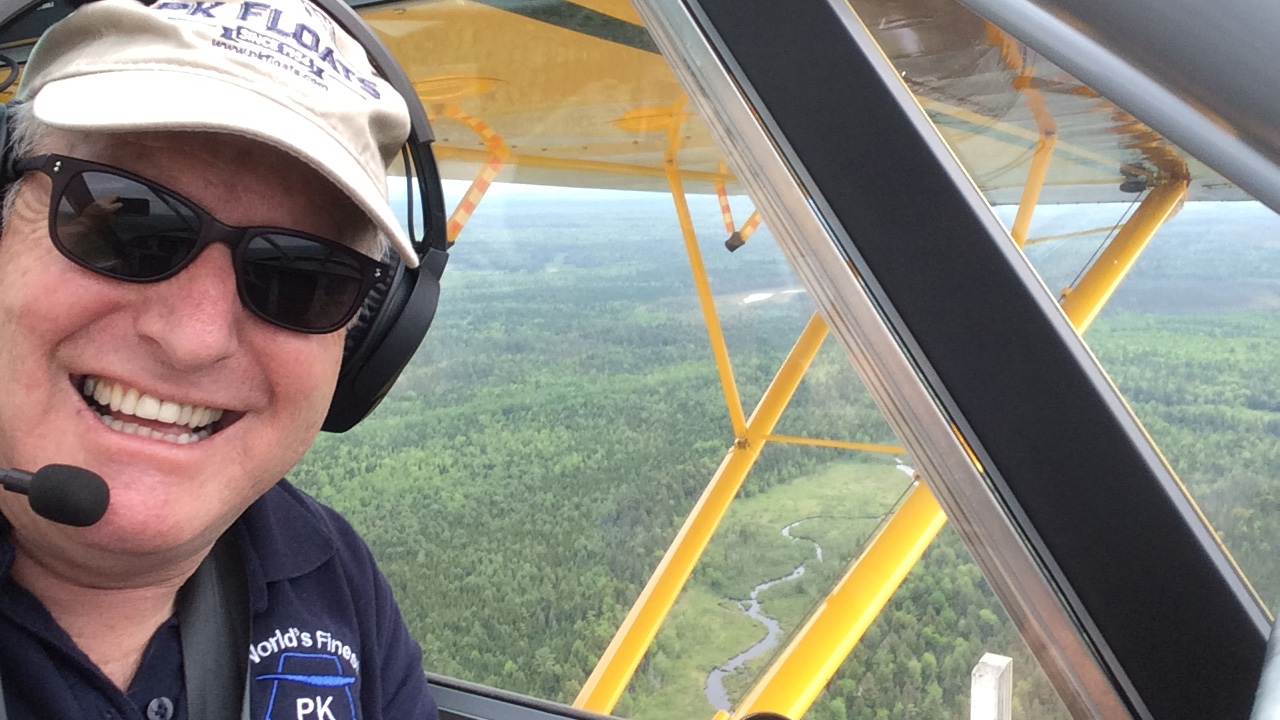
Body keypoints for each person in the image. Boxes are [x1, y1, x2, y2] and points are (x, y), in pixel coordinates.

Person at [0, 0, 440, 718]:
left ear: (368, 337)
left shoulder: (329, 572)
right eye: (124, 223)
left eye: (300, 276)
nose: (194, 337)